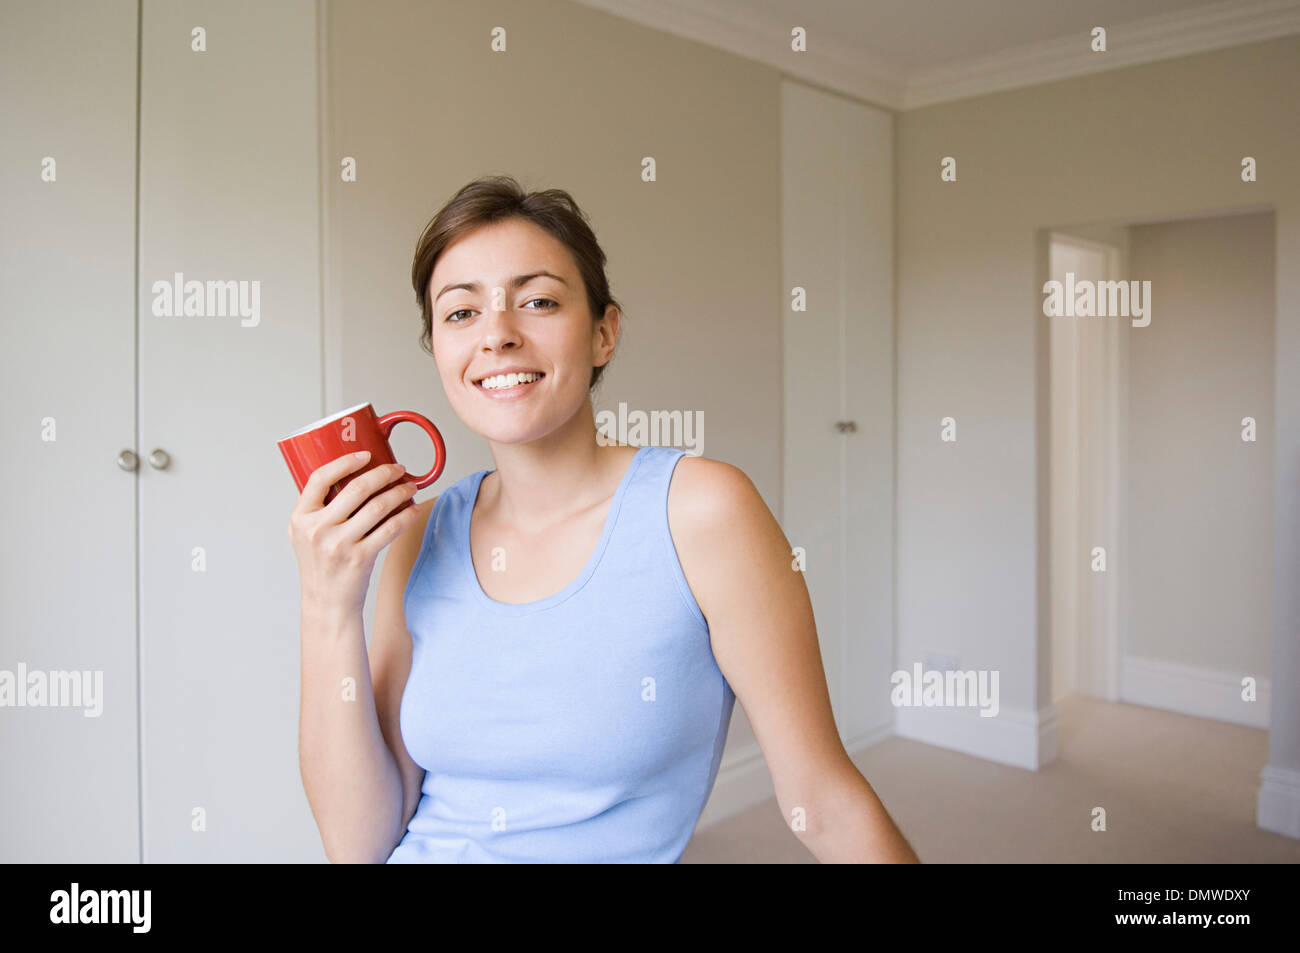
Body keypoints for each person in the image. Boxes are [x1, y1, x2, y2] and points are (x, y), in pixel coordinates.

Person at [289, 175, 919, 863]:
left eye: (537, 301)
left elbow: (824, 805)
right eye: (461, 313)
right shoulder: (423, 532)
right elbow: (357, 846)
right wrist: (327, 602)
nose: (497, 335)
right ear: (439, 347)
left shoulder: (701, 512)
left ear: (603, 333)